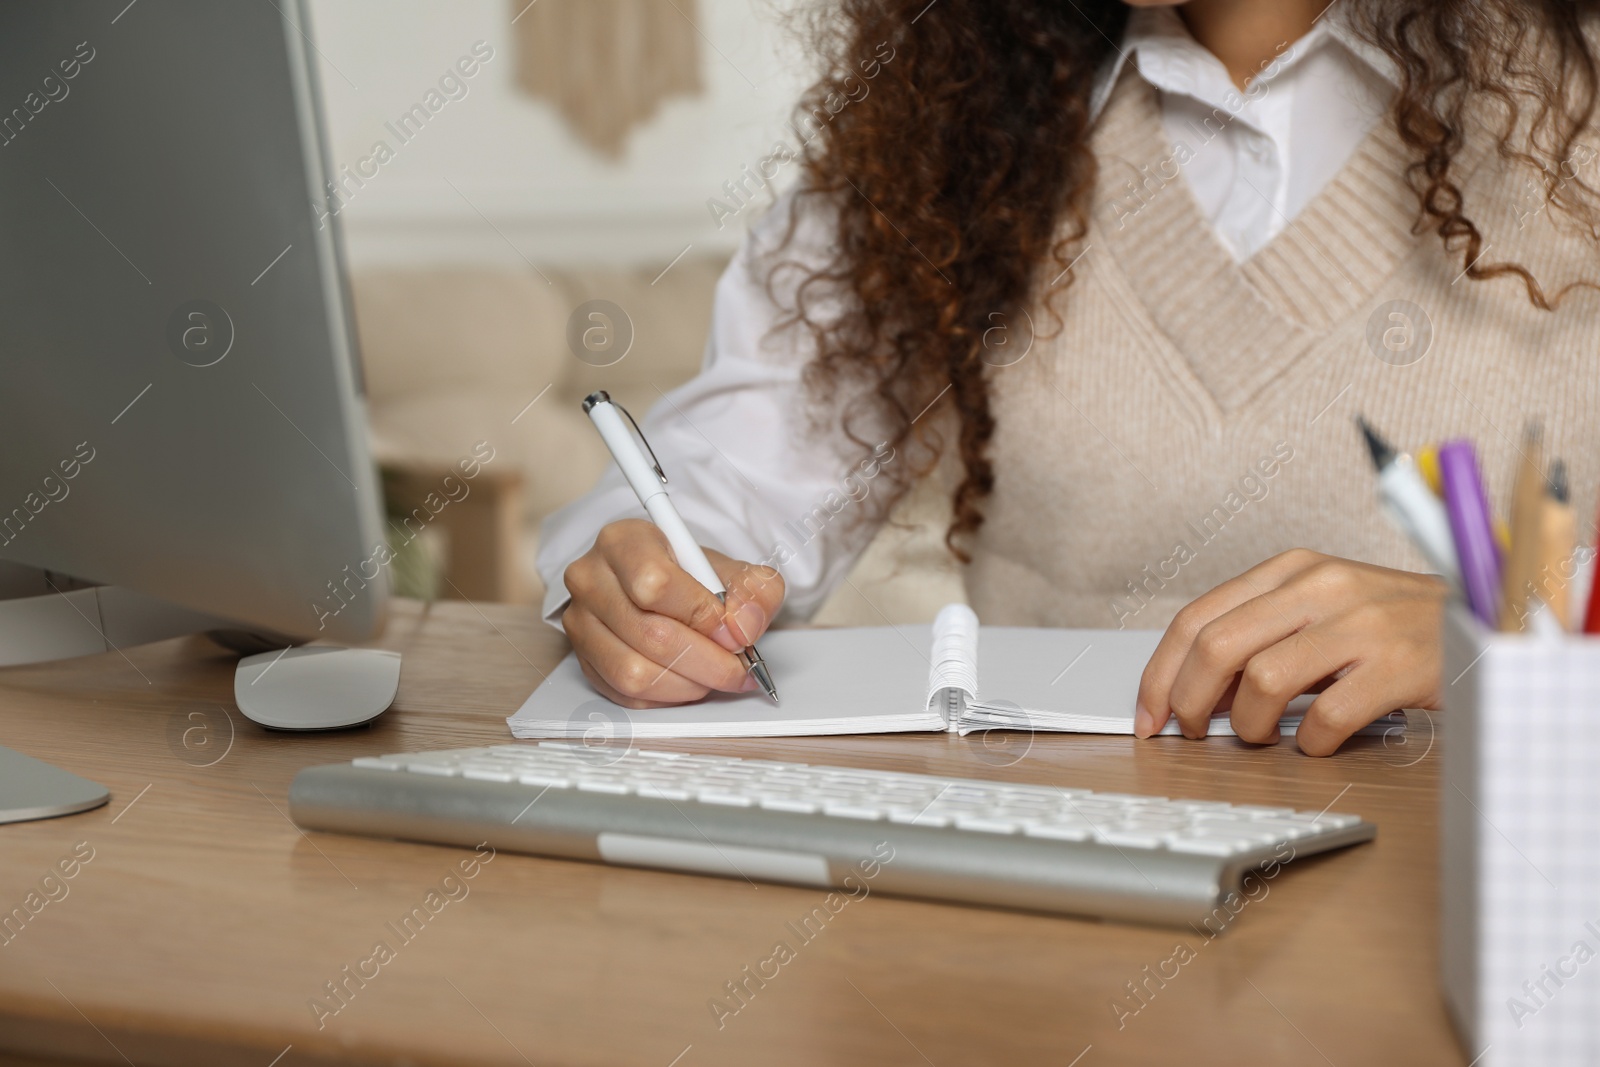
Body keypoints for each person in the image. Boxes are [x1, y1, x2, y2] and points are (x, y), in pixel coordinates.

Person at [537, 0, 1600, 755]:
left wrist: (1511, 625)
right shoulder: (945, 124)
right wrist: (640, 579)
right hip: (1050, 917)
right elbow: (723, 486)